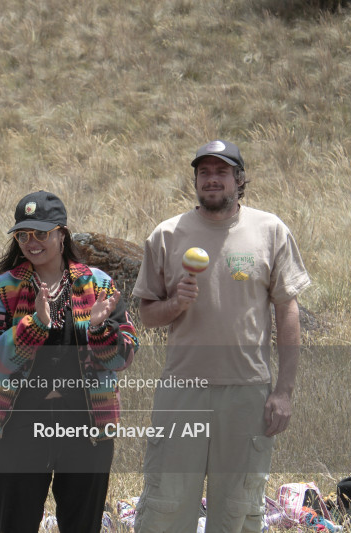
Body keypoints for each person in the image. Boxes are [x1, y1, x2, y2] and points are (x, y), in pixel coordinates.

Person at [132, 140, 311, 532]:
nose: (212, 180)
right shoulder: (167, 234)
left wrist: (283, 391)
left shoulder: (270, 230)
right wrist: (174, 305)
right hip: (183, 390)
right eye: (204, 173)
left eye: (221, 172)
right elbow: (147, 315)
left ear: (239, 179)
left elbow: (287, 308)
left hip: (247, 392)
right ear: (195, 180)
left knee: (237, 512)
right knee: (166, 507)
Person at [0, 191, 139, 533]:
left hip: (87, 429)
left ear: (62, 233)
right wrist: (34, 323)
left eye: (41, 233)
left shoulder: (100, 285)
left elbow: (123, 356)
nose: (31, 242)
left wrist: (98, 329)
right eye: (23, 235)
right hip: (18, 430)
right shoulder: (4, 287)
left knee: (82, 525)